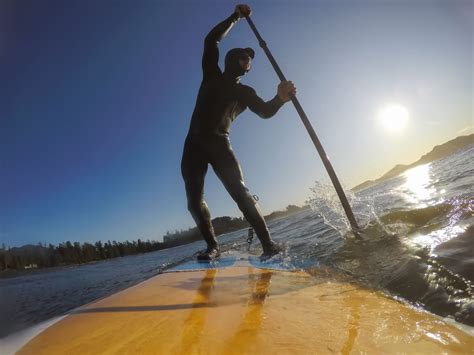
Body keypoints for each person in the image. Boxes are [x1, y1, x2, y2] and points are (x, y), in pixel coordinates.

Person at [181, 4, 296, 261]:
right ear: (232, 60)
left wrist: (280, 98)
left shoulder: (245, 93)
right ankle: (213, 246)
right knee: (193, 201)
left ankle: (268, 245)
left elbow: (265, 112)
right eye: (245, 57)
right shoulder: (211, 75)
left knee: (240, 193)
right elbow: (211, 40)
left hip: (220, 144)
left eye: (250, 60)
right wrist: (236, 17)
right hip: (193, 145)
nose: (249, 62)